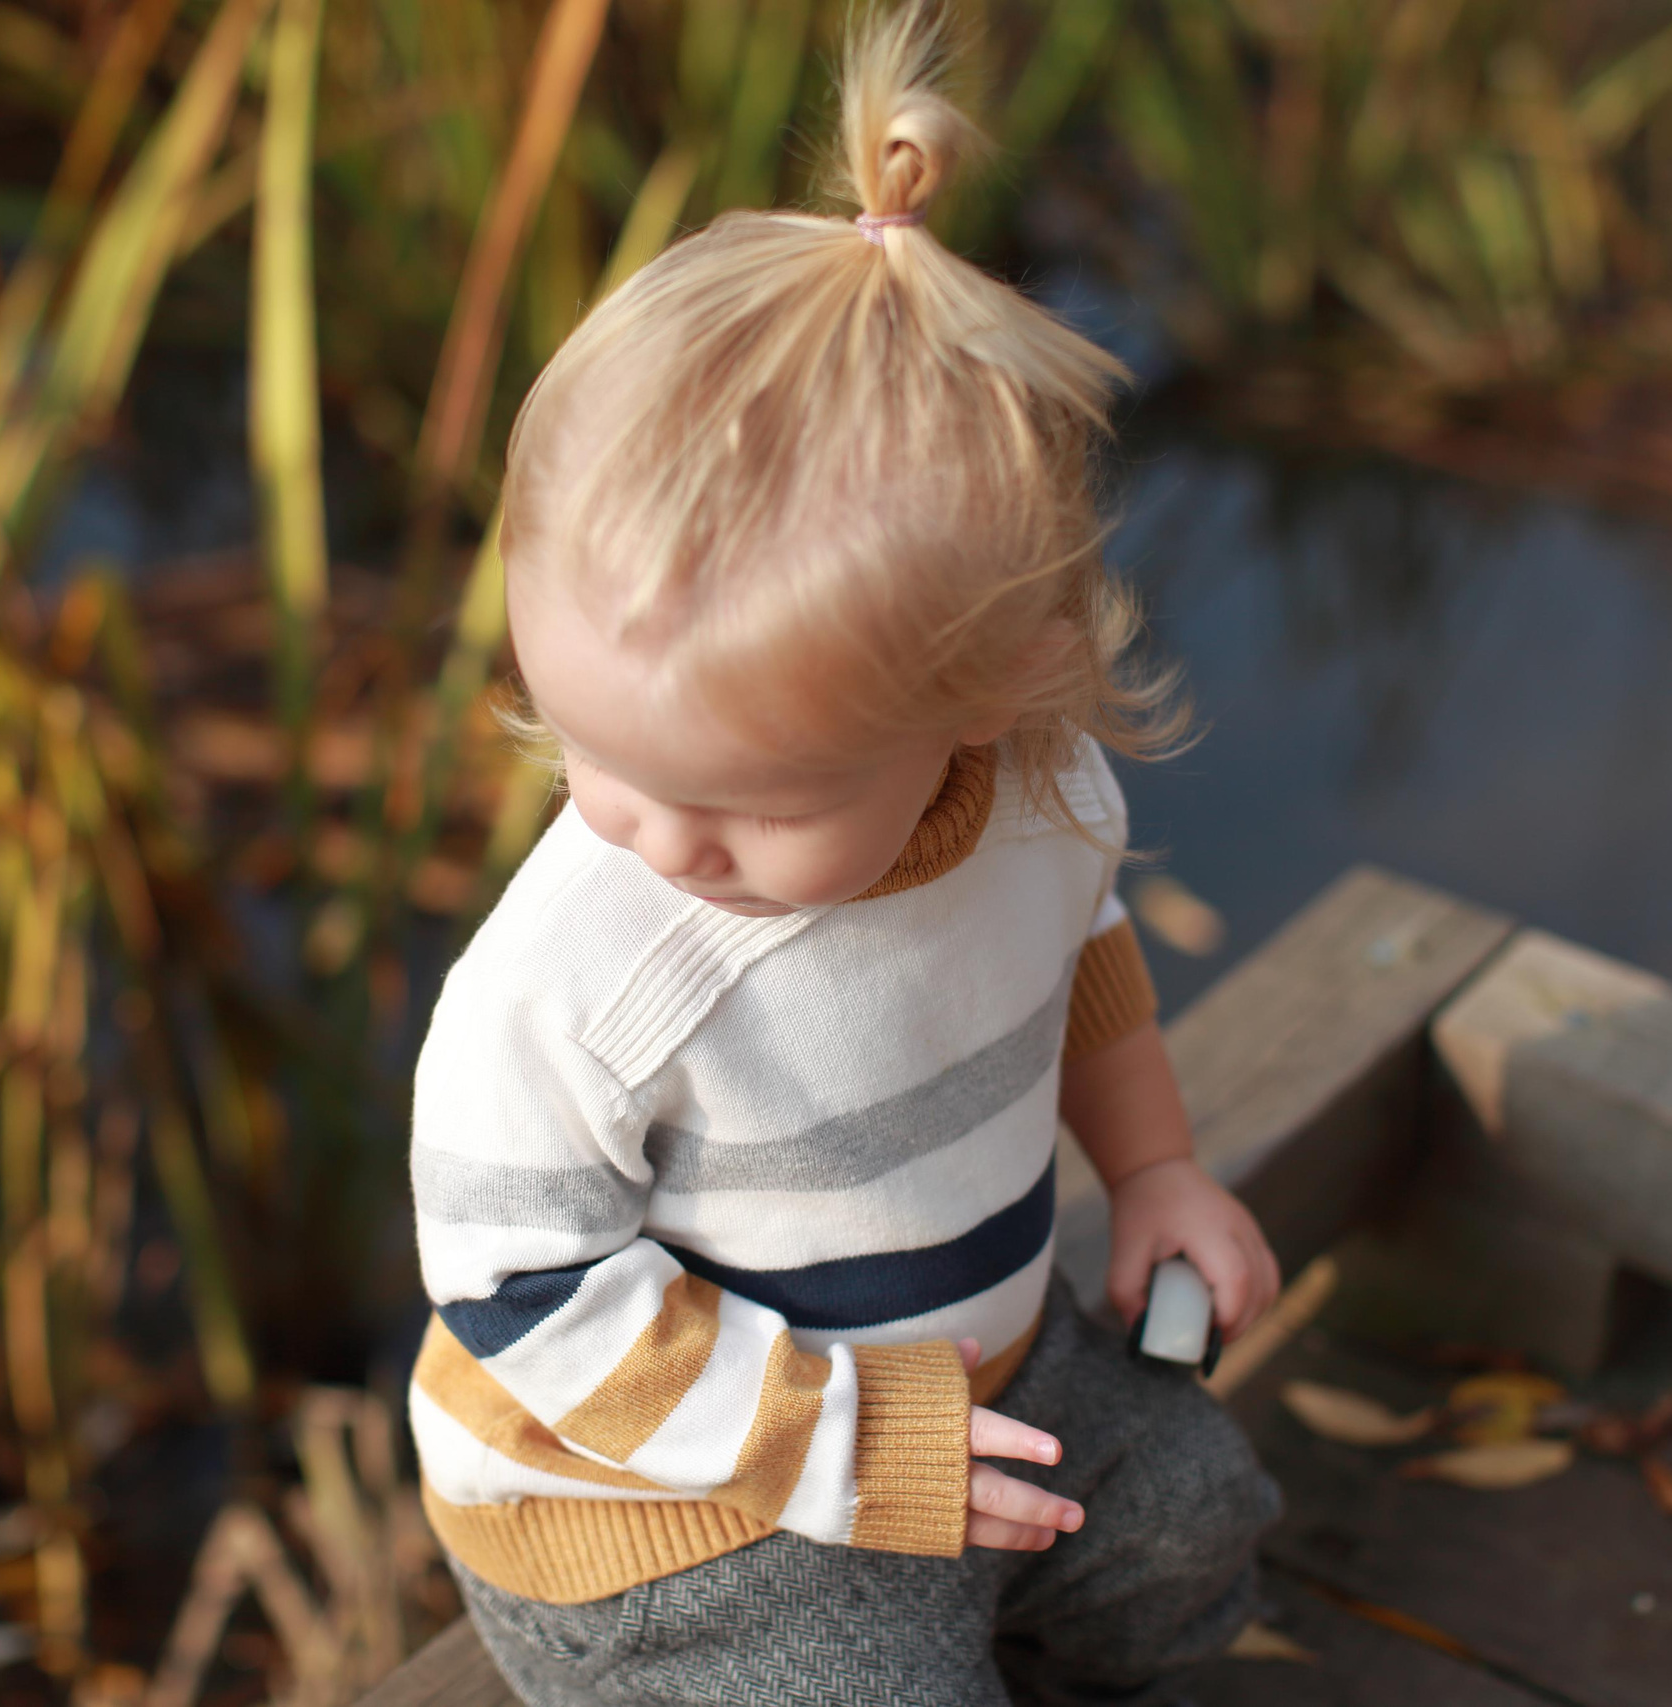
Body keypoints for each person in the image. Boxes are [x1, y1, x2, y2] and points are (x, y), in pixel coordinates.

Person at [406, 8, 1283, 1701]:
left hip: (969, 1380)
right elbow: (525, 1290)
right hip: (666, 1503)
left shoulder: (1041, 799)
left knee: (1188, 1515)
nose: (652, 834)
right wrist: (850, 1449)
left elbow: (1080, 956)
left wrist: (1158, 1169)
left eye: (751, 801)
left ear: (992, 696)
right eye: (588, 744)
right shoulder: (580, 983)